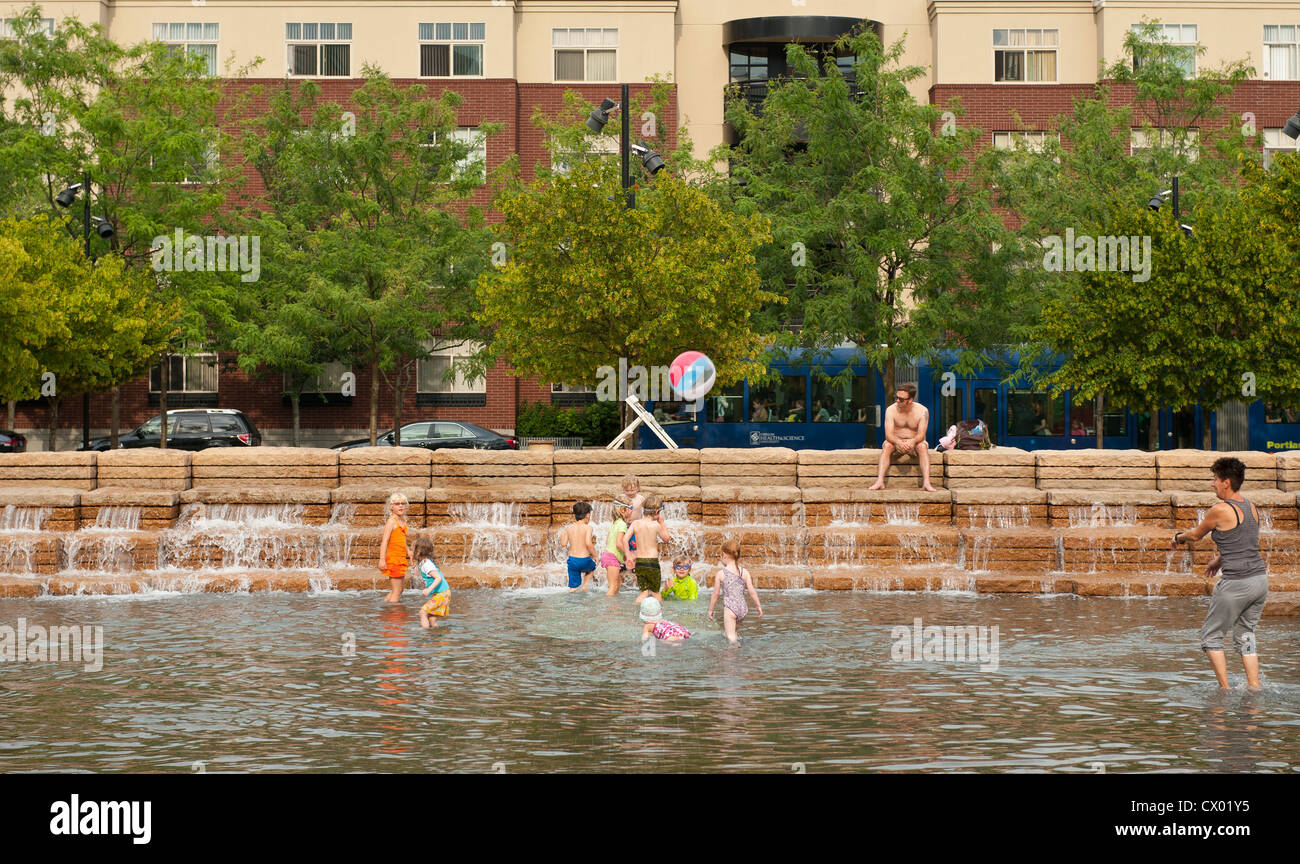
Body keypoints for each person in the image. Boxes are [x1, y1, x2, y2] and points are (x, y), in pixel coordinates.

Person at [1170, 457, 1269, 690]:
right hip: (1259, 581)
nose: (1212, 484)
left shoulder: (1219, 509)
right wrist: (1219, 559)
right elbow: (1245, 541)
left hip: (1236, 583)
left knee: (1211, 637)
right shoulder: (1251, 506)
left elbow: (1195, 535)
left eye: (1214, 479)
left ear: (1226, 482)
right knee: (1245, 633)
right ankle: (1254, 686)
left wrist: (1177, 537)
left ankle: (1224, 691)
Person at [869, 383, 937, 492]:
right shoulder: (891, 410)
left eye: (901, 399)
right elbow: (889, 434)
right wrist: (899, 442)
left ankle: (926, 483)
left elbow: (921, 434)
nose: (897, 400)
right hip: (895, 442)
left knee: (922, 447)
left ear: (910, 400)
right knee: (887, 446)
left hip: (915, 442)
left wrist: (912, 442)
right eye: (896, 397)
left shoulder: (923, 411)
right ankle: (879, 481)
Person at [708, 539, 762, 644]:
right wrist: (758, 605)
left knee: (730, 637)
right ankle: (737, 653)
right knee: (734, 632)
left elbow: (715, 594)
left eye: (720, 556)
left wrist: (711, 610)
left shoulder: (721, 574)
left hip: (730, 609)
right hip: (743, 608)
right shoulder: (744, 572)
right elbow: (752, 591)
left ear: (724, 555)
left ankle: (733, 656)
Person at [627, 494, 671, 604]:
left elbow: (624, 539)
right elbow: (666, 538)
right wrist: (662, 523)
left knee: (644, 593)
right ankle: (659, 617)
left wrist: (629, 556)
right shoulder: (656, 525)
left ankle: (635, 610)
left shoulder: (635, 523)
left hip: (640, 562)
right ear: (656, 512)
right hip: (652, 562)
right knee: (656, 593)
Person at [378, 492, 411, 603]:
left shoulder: (402, 521)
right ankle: (395, 615)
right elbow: (384, 541)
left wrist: (409, 552)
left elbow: (402, 540)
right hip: (394, 559)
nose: (401, 505)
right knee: (397, 591)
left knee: (400, 589)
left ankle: (385, 605)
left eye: (403, 503)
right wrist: (382, 560)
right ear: (391, 507)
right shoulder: (391, 521)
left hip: (401, 559)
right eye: (397, 504)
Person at [412, 534, 450, 629]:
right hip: (443, 593)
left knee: (422, 613)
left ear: (418, 551)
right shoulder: (425, 562)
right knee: (431, 618)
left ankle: (425, 635)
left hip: (442, 594)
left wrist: (429, 590)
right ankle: (437, 635)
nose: (411, 551)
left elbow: (438, 578)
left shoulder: (426, 564)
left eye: (413, 549)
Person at [560, 501, 598, 592]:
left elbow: (563, 544)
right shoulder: (588, 527)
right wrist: (595, 555)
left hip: (572, 561)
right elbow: (588, 543)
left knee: (573, 587)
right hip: (584, 559)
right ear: (587, 515)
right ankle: (585, 585)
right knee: (593, 567)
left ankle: (573, 593)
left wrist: (562, 537)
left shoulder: (569, 528)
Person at [601, 498, 633, 597]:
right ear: (623, 510)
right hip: (612, 558)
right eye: (630, 508)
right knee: (613, 587)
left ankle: (614, 606)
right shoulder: (623, 524)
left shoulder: (614, 523)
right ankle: (609, 609)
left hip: (608, 555)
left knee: (618, 582)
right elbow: (619, 544)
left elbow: (607, 541)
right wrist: (628, 555)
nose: (632, 510)